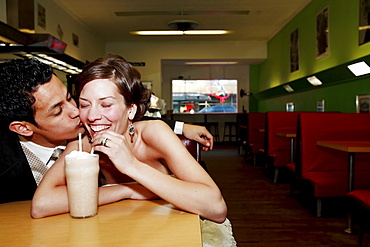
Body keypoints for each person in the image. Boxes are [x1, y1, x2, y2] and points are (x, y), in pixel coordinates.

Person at [0, 58, 213, 204]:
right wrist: (131, 189)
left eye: (71, 99)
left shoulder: (85, 132)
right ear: (22, 128)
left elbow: (130, 119)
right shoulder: (81, 142)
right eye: (58, 111)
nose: (78, 113)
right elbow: (41, 204)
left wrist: (181, 126)